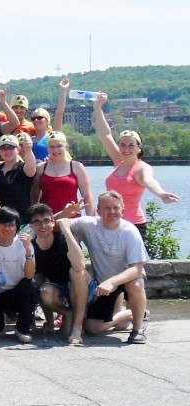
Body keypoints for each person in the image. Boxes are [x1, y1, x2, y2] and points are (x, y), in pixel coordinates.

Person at [93, 92, 180, 241]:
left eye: (131, 145)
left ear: (139, 148)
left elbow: (149, 181)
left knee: (133, 264)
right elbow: (105, 134)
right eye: (123, 145)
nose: (126, 149)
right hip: (111, 223)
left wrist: (161, 194)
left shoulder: (142, 168)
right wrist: (97, 106)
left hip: (134, 225)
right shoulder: (118, 161)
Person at [66, 191, 150, 344]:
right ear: (98, 211)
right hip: (103, 284)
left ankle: (138, 329)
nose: (112, 212)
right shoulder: (89, 224)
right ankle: (128, 314)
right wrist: (65, 215)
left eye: (116, 208)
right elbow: (56, 223)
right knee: (91, 328)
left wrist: (113, 282)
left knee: (136, 283)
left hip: (127, 278)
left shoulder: (130, 231)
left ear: (123, 211)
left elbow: (137, 269)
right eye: (106, 208)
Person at [28, 203, 89, 346]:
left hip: (81, 288)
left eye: (46, 221)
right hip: (59, 290)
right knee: (43, 289)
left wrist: (66, 230)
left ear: (53, 222)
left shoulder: (64, 238)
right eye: (37, 222)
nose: (42, 226)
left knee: (76, 272)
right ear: (31, 226)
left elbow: (80, 266)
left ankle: (77, 328)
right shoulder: (32, 246)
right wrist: (49, 322)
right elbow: (39, 279)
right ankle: (68, 314)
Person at [0, 207, 38, 344]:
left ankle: (22, 329)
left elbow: (29, 275)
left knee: (31, 286)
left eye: (11, 224)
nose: (6, 228)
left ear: (16, 227)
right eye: (2, 224)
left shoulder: (23, 243)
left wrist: (28, 250)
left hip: (16, 292)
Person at [32, 131, 94, 218]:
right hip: (47, 220)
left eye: (59, 146)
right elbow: (35, 197)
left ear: (66, 146)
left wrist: (91, 219)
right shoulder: (40, 168)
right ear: (47, 148)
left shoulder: (77, 167)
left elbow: (87, 196)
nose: (55, 150)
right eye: (52, 147)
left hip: (72, 218)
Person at [0, 133, 36, 224]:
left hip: (22, 220)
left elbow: (31, 168)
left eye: (11, 148)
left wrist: (28, 150)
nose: (7, 151)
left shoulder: (23, 168)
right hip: (0, 220)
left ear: (18, 149)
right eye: (4, 148)